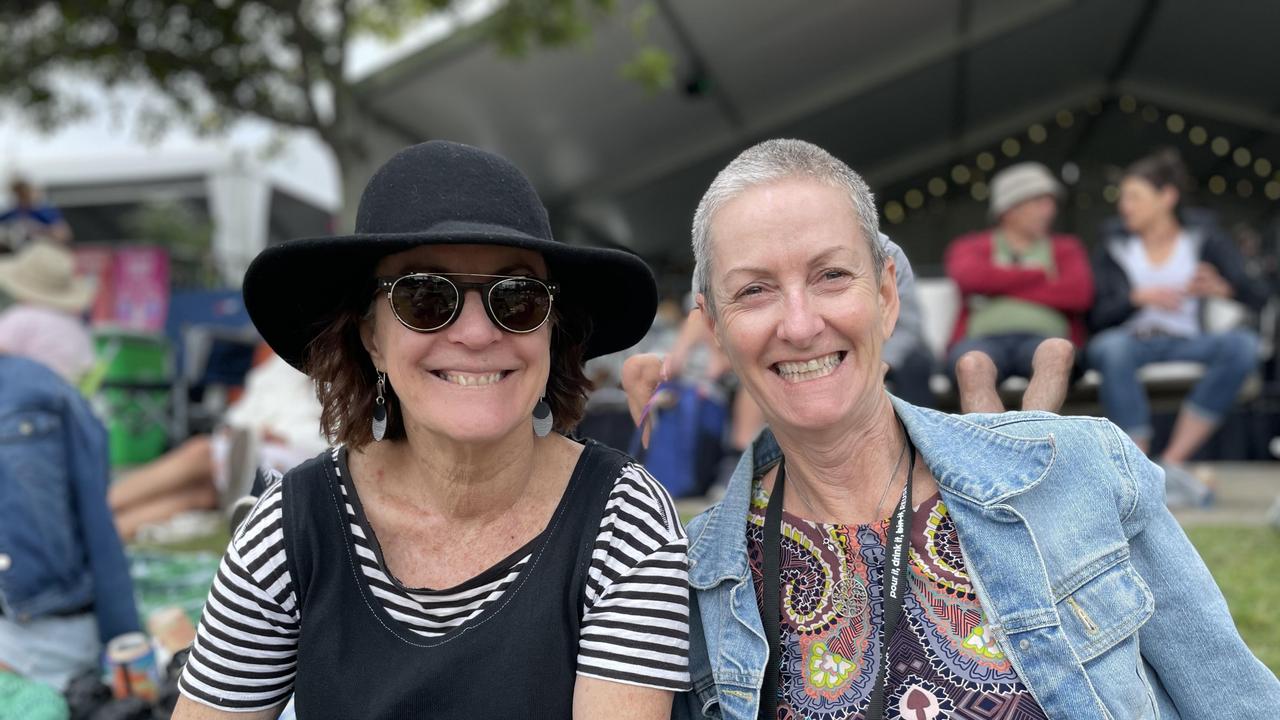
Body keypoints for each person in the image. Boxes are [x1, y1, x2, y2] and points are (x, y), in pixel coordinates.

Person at [666, 139, 1278, 719]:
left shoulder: (1079, 470)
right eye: (754, 290)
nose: (799, 325)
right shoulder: (688, 581)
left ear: (886, 294)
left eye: (831, 276)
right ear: (715, 329)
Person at [172, 141, 689, 719]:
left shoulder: (623, 521)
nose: (474, 333)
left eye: (515, 298)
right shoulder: (292, 528)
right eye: (425, 296)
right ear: (371, 337)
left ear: (551, 330)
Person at [1086, 149, 1270, 507]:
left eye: (1134, 196)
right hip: (1131, 341)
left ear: (1166, 197)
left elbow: (1260, 297)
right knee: (1111, 347)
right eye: (1123, 197)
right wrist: (1135, 298)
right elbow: (1095, 317)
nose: (1125, 206)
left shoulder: (1204, 239)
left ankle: (1172, 461)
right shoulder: (1112, 245)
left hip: (1188, 342)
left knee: (1241, 346)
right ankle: (1137, 467)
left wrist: (1224, 288)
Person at [0, 354, 141, 693]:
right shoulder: (42, 385)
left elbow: (98, 524)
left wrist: (125, 643)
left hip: (38, 635)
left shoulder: (38, 391)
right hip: (48, 631)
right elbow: (99, 524)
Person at [108, 350, 329, 541]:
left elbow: (341, 439)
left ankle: (94, 514)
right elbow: (251, 403)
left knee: (202, 454)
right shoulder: (287, 363)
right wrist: (246, 428)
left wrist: (283, 437)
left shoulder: (349, 369)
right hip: (254, 442)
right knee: (202, 494)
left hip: (300, 454)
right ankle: (101, 529)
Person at [944, 162, 1092, 406]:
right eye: (1039, 202)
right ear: (1009, 209)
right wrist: (1038, 276)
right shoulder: (971, 246)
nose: (1050, 210)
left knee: (1057, 352)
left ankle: (1035, 442)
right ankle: (991, 445)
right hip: (981, 340)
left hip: (1044, 338)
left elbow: (1078, 293)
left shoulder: (1067, 248)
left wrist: (997, 289)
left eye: (1050, 202)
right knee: (971, 365)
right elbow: (968, 278)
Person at [0, 241, 96, 384]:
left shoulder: (20, 317)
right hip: (68, 398)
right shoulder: (75, 325)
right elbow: (88, 367)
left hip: (25, 398)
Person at [0, 179, 72, 251]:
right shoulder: (11, 214)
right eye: (18, 194)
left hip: (43, 249)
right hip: (17, 252)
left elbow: (63, 234)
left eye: (24, 194)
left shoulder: (45, 212)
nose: (21, 197)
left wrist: (37, 229)